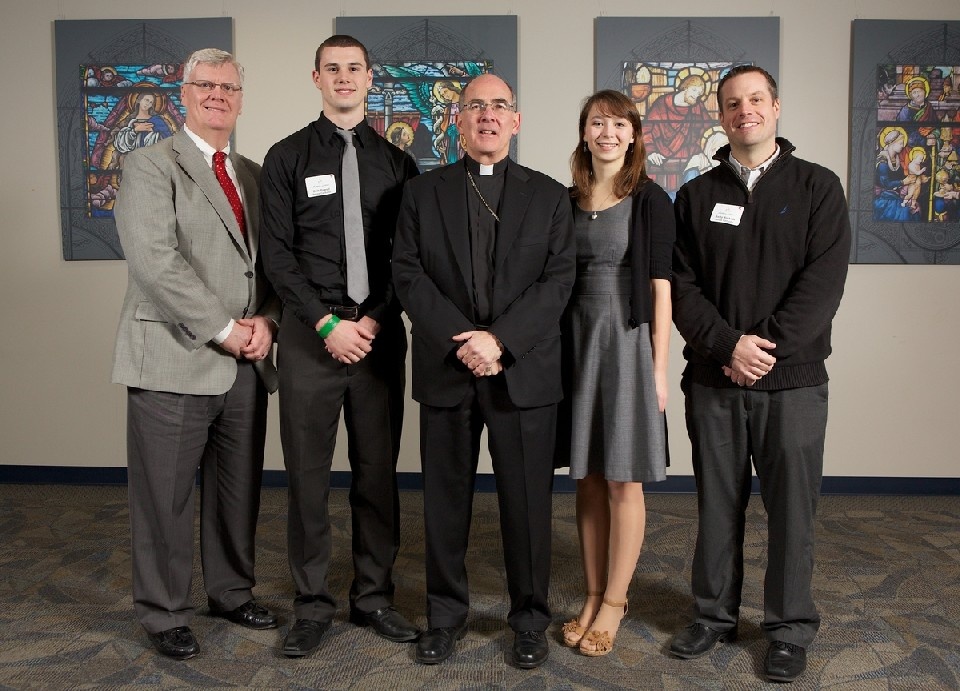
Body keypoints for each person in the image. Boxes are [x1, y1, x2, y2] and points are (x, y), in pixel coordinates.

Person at [669, 65, 850, 683]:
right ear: (720, 116)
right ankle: (714, 616)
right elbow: (681, 288)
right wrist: (728, 347)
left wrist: (760, 350)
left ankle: (788, 628)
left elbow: (821, 287)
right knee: (716, 506)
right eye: (731, 103)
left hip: (792, 383)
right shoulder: (695, 196)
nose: (744, 110)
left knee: (793, 513)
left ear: (775, 107)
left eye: (755, 99)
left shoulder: (818, 187)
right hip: (714, 380)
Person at [392, 73, 575, 669]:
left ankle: (530, 618)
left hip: (522, 370)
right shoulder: (422, 193)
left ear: (515, 121)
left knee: (527, 504)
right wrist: (465, 342)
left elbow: (558, 281)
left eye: (499, 106)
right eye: (475, 106)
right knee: (444, 502)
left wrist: (499, 341)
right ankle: (444, 616)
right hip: (448, 368)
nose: (488, 116)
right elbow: (408, 274)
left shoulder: (549, 195)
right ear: (459, 121)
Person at [111, 48, 280, 660]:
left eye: (229, 87)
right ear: (183, 95)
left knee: (237, 490)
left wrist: (267, 322)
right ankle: (163, 612)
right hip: (173, 354)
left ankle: (231, 592)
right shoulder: (150, 164)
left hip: (247, 360)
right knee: (165, 496)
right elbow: (155, 261)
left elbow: (272, 264)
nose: (217, 95)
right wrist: (223, 328)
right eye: (205, 85)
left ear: (241, 98)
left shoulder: (253, 174)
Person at [259, 34, 420, 658]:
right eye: (333, 69)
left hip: (377, 340)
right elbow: (278, 256)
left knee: (377, 475)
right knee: (307, 477)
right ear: (316, 78)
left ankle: (374, 597)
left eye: (354, 68)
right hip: (311, 339)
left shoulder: (399, 163)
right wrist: (327, 325)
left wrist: (373, 321)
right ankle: (311, 605)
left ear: (369, 78)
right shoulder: (286, 157)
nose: (344, 77)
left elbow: (407, 258)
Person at [557, 90, 673, 657]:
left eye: (619, 124)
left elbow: (661, 287)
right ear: (584, 133)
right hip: (574, 343)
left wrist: (659, 368)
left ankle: (615, 602)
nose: (608, 133)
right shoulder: (565, 200)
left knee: (623, 478)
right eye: (597, 123)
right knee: (586, 476)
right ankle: (591, 592)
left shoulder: (651, 199)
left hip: (626, 343)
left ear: (634, 134)